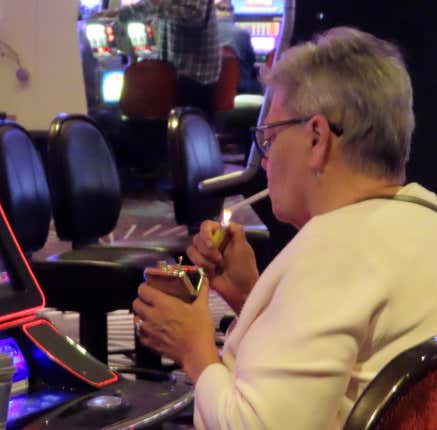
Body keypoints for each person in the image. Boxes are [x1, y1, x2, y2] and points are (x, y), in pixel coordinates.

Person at [132, 27, 437, 429]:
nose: (267, 160)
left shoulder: (334, 251)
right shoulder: (424, 216)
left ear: (317, 138)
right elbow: (333, 365)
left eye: (270, 138)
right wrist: (252, 297)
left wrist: (195, 349)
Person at [103, 0, 221, 116]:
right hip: (174, 70)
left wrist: (160, 4)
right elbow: (152, 5)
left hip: (195, 72)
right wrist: (122, 13)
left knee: (191, 129)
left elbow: (194, 15)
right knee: (172, 127)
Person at [215, 0, 262, 94]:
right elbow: (252, 61)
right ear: (232, 13)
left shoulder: (205, 32)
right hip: (239, 88)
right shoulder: (242, 33)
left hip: (211, 87)